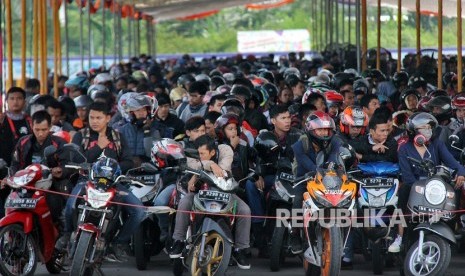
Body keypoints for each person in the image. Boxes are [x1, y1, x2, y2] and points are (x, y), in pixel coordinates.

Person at [59, 102, 143, 262]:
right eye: (92, 117)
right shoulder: (81, 135)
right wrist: (98, 147)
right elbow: (77, 159)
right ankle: (66, 235)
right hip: (86, 181)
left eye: (99, 117)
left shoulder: (117, 137)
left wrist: (112, 166)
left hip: (113, 184)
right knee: (70, 206)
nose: (94, 121)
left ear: (108, 118)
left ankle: (119, 243)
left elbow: (128, 161)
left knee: (138, 211)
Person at [169, 134, 251, 269]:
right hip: (201, 192)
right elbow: (192, 163)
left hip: (225, 191)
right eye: (198, 153)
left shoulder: (225, 149)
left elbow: (222, 169)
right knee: (184, 203)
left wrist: (202, 168)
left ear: (213, 152)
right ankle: (178, 241)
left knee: (245, 210)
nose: (199, 155)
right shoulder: (197, 155)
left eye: (203, 153)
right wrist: (210, 164)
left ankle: (240, 249)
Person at [395, 112, 465, 253]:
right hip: (414, 187)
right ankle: (399, 237)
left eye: (429, 127)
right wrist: (422, 188)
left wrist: (461, 175)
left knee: (455, 190)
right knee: (403, 192)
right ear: (413, 131)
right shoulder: (404, 149)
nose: (427, 130)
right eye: (423, 127)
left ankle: (453, 229)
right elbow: (408, 176)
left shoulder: (437, 145)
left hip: (435, 187)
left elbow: (454, 164)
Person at [2, 110, 70, 230]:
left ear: (50, 127)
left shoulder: (59, 143)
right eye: (37, 129)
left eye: (44, 130)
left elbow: (67, 166)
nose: (40, 133)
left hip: (51, 186)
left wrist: (59, 171)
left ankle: (61, 231)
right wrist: (10, 178)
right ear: (31, 126)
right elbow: (15, 165)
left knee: (58, 205)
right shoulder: (23, 142)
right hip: (25, 185)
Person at [291, 111, 342, 253]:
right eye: (320, 130)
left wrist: (331, 168)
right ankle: (294, 234)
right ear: (311, 130)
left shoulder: (336, 141)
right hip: (304, 180)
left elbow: (334, 157)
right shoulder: (301, 143)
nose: (324, 133)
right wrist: (316, 171)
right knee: (297, 201)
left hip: (329, 180)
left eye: (327, 129)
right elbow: (305, 162)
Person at [0, 87, 32, 217]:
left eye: (19, 98)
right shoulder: (2, 120)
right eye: (12, 99)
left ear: (24, 101)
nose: (15, 102)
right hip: (3, 166)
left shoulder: (29, 121)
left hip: (23, 168)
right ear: (6, 101)